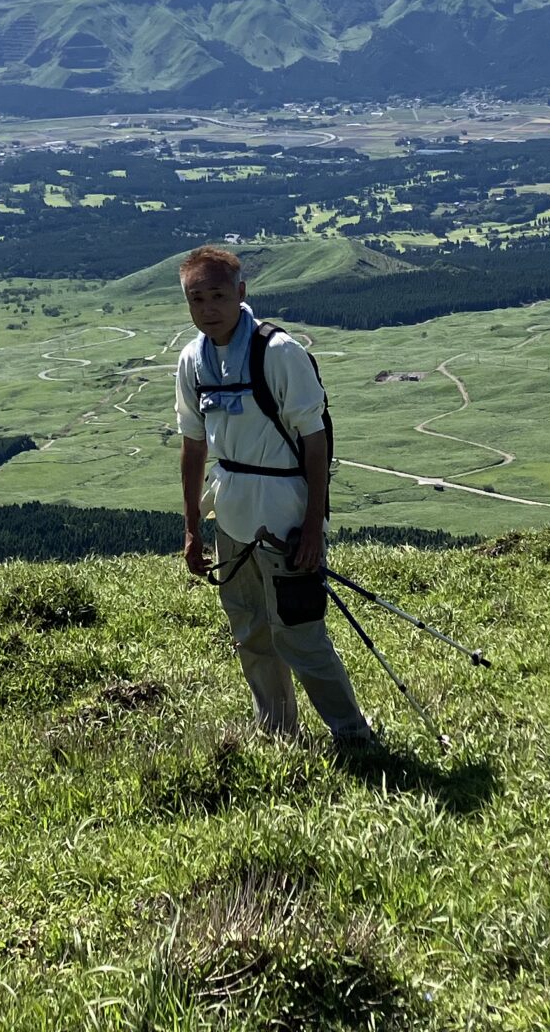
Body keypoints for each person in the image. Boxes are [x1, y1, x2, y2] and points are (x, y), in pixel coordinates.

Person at [173, 244, 372, 748]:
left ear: (241, 293)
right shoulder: (192, 361)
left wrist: (312, 526)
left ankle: (353, 736)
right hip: (232, 519)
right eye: (197, 299)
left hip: (286, 517)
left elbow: (315, 440)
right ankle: (279, 731)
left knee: (300, 635)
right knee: (252, 634)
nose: (208, 309)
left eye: (217, 296)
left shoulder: (279, 352)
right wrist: (194, 528)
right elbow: (193, 444)